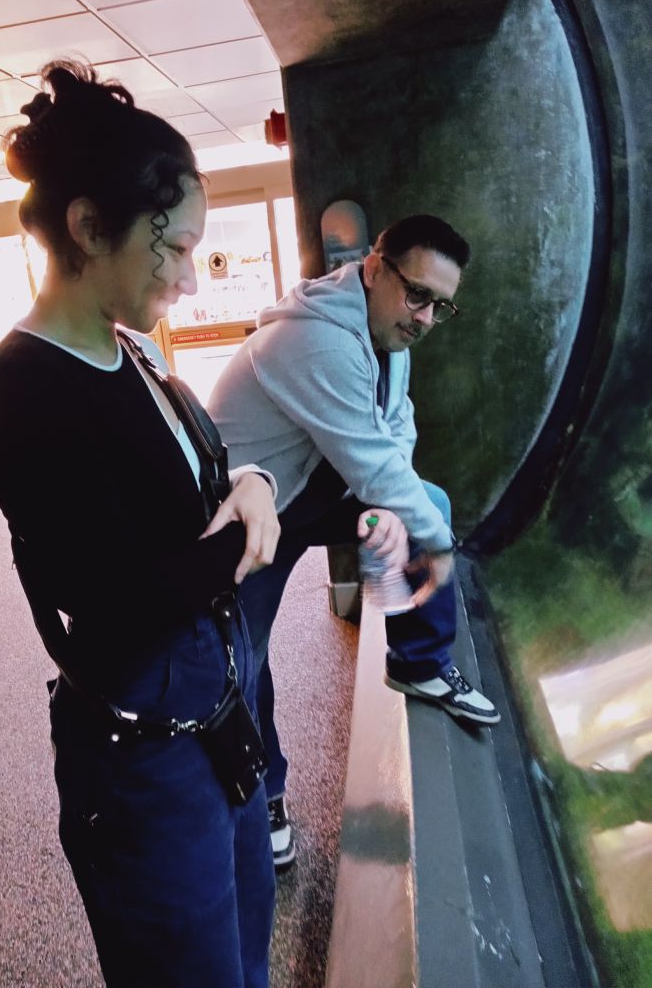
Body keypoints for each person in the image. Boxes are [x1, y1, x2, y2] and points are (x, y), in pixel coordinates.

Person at [0, 60, 280, 988]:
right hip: (144, 754)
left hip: (212, 715)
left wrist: (256, 480)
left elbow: (214, 475)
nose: (189, 280)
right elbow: (114, 599)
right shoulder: (22, 386)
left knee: (244, 950)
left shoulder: (131, 351)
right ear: (89, 227)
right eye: (173, 248)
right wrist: (247, 530)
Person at [208, 214, 501, 868]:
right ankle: (262, 795)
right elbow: (371, 467)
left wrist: (411, 525)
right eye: (417, 295)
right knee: (242, 660)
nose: (425, 318)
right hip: (246, 513)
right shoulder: (313, 342)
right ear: (374, 268)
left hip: (311, 491)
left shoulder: (386, 335)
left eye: (440, 307)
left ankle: (419, 663)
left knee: (422, 502)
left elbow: (396, 437)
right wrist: (444, 552)